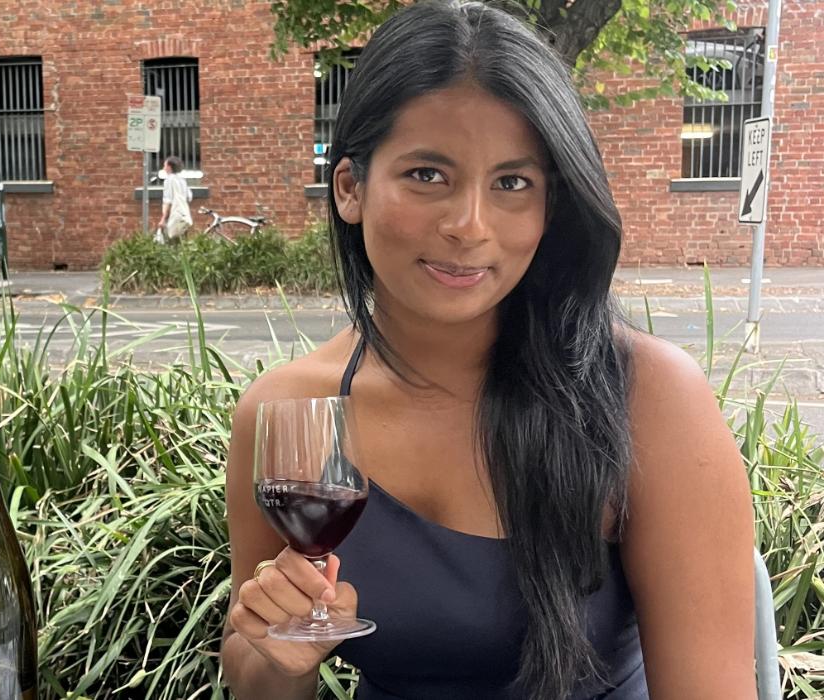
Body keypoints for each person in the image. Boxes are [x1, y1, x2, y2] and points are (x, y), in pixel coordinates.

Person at [220, 2, 755, 699]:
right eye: (427, 175)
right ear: (350, 188)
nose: (469, 226)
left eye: (512, 183)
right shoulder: (287, 412)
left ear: (551, 205)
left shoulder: (643, 396)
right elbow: (260, 677)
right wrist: (280, 656)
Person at [157, 156, 193, 243]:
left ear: (169, 167)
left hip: (174, 215)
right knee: (182, 241)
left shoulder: (169, 180)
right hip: (184, 214)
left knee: (170, 241)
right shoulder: (182, 180)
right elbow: (189, 196)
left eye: (165, 165)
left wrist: (163, 219)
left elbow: (168, 201)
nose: (164, 168)